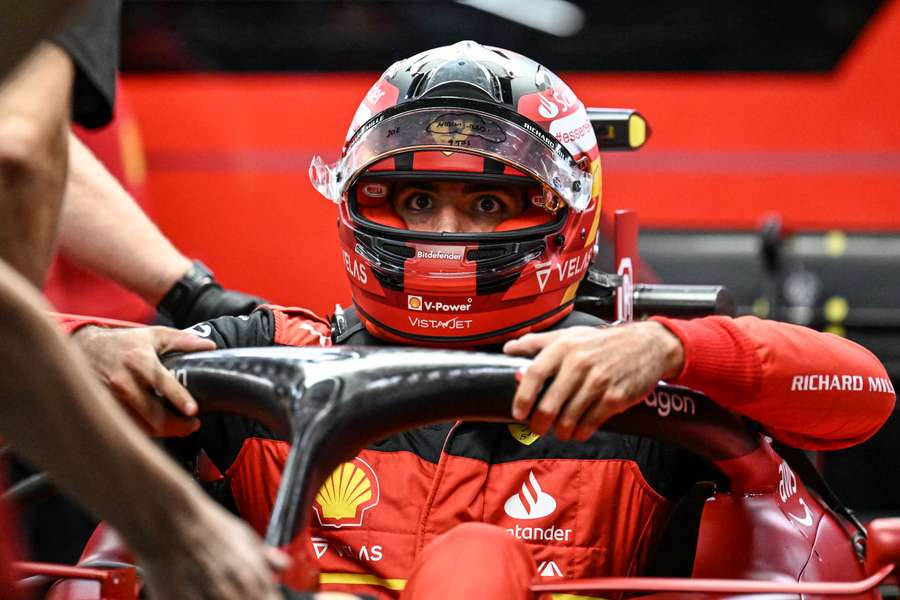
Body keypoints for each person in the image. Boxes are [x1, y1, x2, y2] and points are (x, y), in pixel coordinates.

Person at [74, 41, 896, 598]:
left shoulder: (634, 389)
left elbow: (864, 393)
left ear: (566, 211)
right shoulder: (266, 358)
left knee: (477, 561)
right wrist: (92, 349)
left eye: (489, 202)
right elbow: (27, 370)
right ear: (355, 202)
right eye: (417, 198)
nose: (444, 235)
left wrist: (672, 347)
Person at [0, 3, 288, 598]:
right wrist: (176, 528)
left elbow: (34, 134)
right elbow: (18, 147)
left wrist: (189, 292)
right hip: (36, 387)